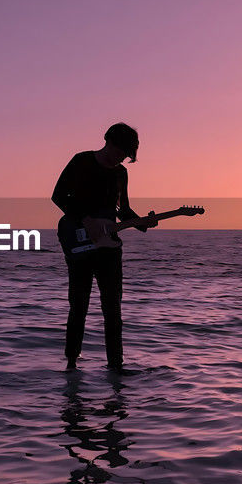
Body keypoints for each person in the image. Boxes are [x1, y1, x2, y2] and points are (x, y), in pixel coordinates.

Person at [51, 123, 156, 371]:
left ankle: (115, 366)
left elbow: (124, 211)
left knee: (113, 309)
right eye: (120, 152)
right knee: (79, 305)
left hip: (109, 249)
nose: (121, 158)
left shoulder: (121, 174)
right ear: (108, 141)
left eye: (126, 156)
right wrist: (86, 220)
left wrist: (144, 223)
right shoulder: (82, 161)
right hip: (79, 245)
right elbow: (58, 196)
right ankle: (71, 364)